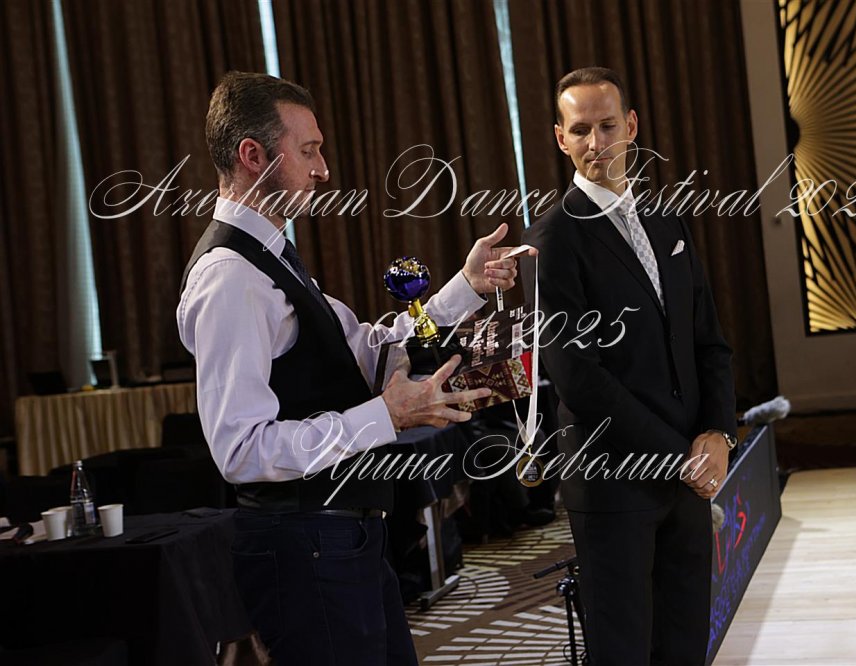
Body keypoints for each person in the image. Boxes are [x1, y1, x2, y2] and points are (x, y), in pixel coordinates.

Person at [178, 71, 528, 664]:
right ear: (252, 156)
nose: (323, 170)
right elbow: (240, 449)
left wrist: (466, 287)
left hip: (341, 536)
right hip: (303, 544)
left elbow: (366, 348)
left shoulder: (270, 257)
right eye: (308, 151)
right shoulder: (230, 278)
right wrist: (384, 417)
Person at [523, 67, 737, 666]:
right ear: (560, 138)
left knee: (685, 649)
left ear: (632, 126)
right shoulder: (552, 239)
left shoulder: (668, 221)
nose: (596, 143)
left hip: (688, 477)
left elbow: (709, 343)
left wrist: (718, 434)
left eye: (608, 126)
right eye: (580, 130)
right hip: (614, 483)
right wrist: (681, 455)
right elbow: (578, 378)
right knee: (624, 655)